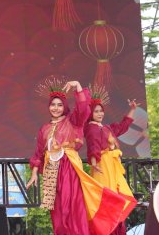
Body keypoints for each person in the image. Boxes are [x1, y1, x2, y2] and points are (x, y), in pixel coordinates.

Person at [26, 79, 132, 235]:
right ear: (49, 106)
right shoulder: (44, 128)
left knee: (72, 206)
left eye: (59, 105)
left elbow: (83, 109)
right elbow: (38, 152)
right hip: (50, 170)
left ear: (65, 106)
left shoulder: (73, 121)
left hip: (68, 167)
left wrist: (78, 87)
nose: (56, 108)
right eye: (53, 105)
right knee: (57, 211)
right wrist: (34, 173)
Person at [84, 93, 139, 235]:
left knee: (116, 198)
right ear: (90, 113)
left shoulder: (106, 127)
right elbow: (93, 145)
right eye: (96, 111)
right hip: (103, 165)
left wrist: (132, 109)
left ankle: (115, 230)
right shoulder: (92, 127)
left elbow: (122, 127)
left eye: (101, 110)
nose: (100, 113)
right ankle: (106, 230)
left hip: (112, 166)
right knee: (108, 199)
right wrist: (95, 161)